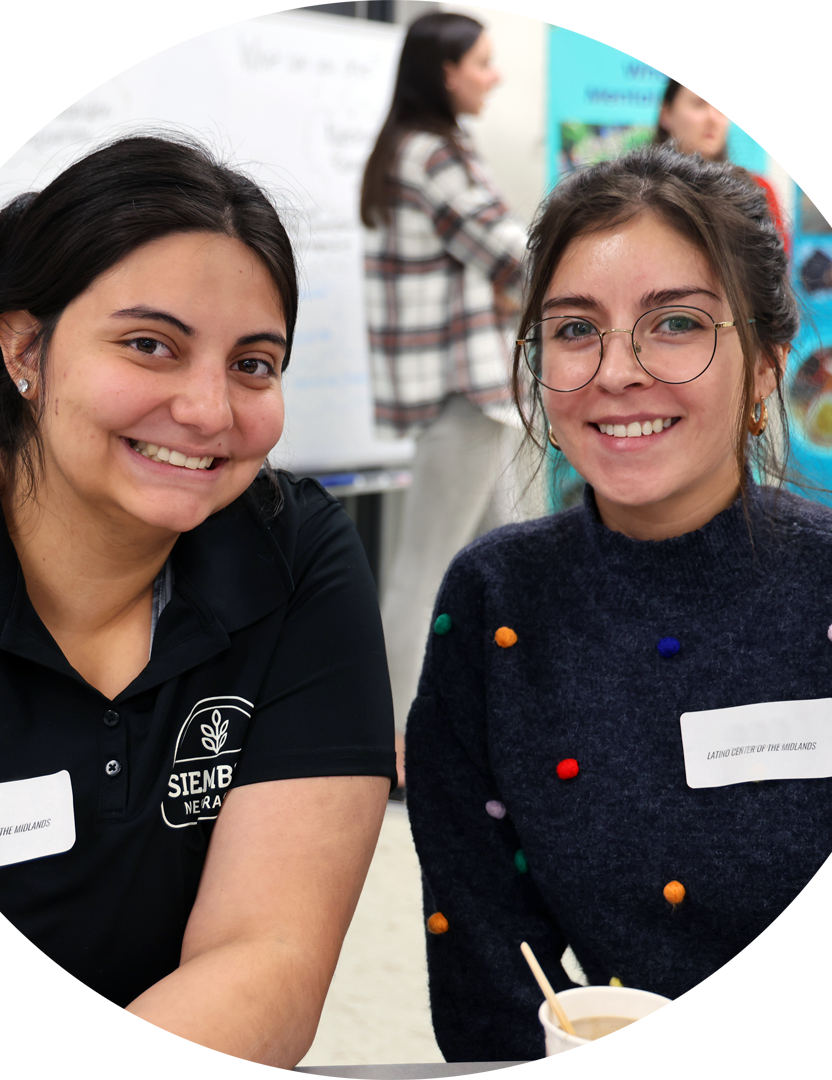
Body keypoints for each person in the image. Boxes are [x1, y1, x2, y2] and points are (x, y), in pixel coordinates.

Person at [0, 134, 396, 1078]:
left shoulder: (294, 556)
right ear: (25, 348)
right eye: (151, 346)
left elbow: (265, 955)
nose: (208, 409)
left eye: (254, 364)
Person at [405, 147, 832, 1070]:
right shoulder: (495, 605)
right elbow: (489, 970)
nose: (616, 371)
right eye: (574, 330)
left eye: (676, 324)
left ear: (767, 363)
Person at [359, 11, 535, 789]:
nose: (495, 76)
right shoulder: (430, 152)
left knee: (501, 567)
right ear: (445, 71)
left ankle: (495, 735)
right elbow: (506, 254)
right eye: (484, 62)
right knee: (427, 571)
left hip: (470, 389)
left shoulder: (432, 146)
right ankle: (394, 752)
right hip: (461, 388)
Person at [655, 75, 790, 252]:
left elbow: (776, 271)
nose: (713, 117)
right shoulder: (638, 190)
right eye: (699, 103)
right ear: (666, 113)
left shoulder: (758, 191)